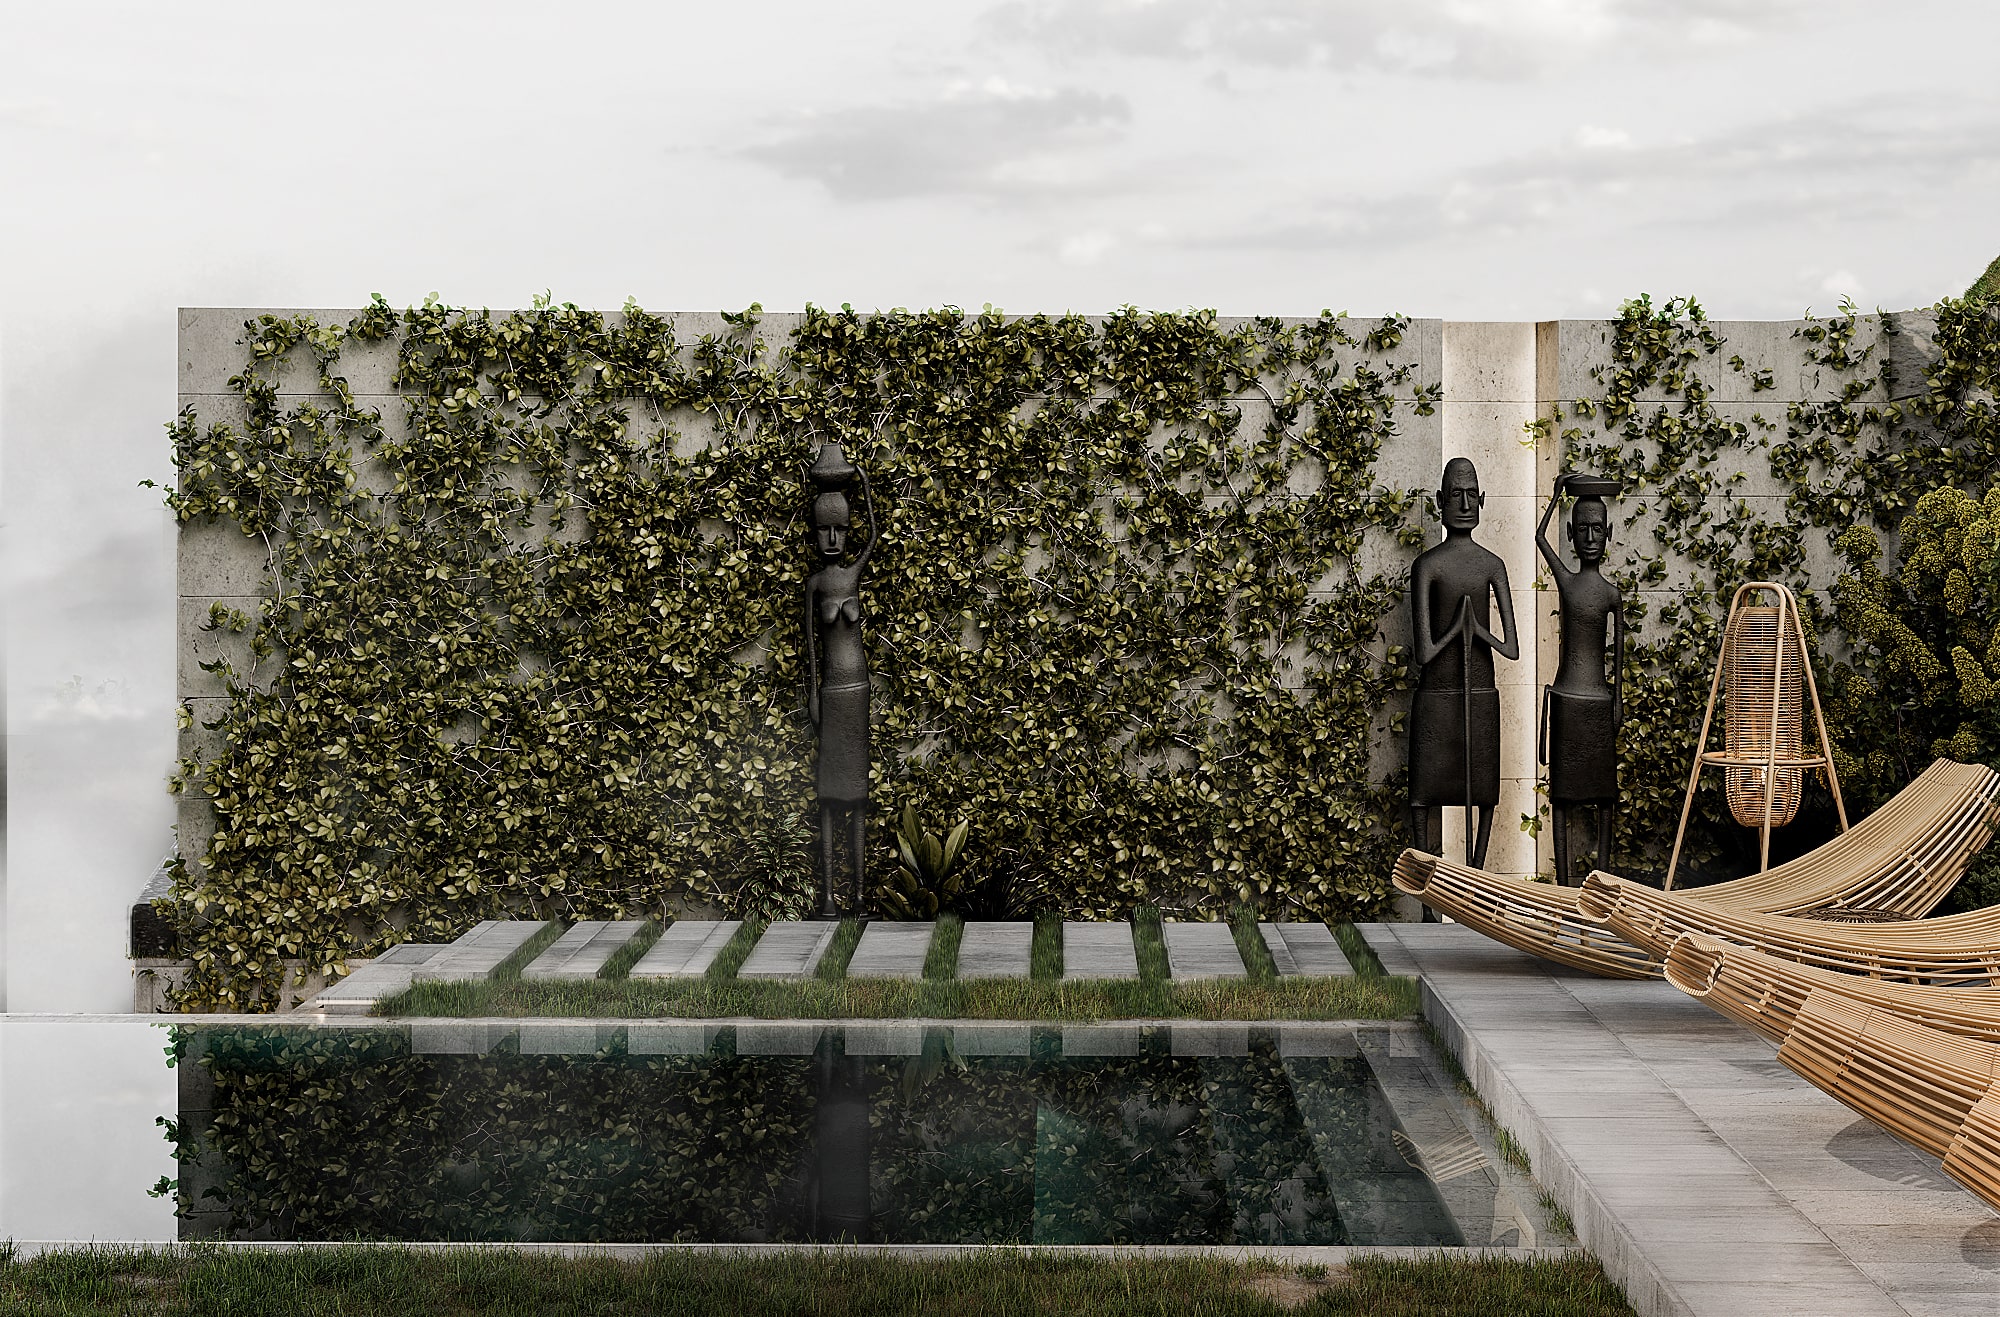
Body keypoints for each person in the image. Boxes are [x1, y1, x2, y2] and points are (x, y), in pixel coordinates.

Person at [1409, 458, 1519, 873]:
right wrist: (1457, 629)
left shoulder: (1492, 565)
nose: (1465, 504)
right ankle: (1426, 893)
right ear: (1440, 501)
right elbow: (1424, 653)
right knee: (1422, 795)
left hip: (1480, 693)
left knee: (1484, 793)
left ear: (1483, 499)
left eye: (1472, 494)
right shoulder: (1427, 566)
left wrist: (1478, 631)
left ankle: (1474, 884)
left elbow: (1511, 648)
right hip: (1436, 694)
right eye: (1456, 495)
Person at [1535, 473, 1625, 886]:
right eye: (1582, 529)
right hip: (1568, 700)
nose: (1590, 538)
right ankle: (1565, 889)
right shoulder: (1567, 583)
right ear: (1570, 534)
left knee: (1604, 797)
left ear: (1609, 534)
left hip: (1598, 700)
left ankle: (1601, 885)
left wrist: (1617, 702)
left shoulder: (1610, 594)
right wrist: (1556, 495)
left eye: (1597, 529)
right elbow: (1540, 538)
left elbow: (1618, 654)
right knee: (1563, 796)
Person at [804, 441, 876, 919]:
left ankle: (861, 897)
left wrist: (862, 481)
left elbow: (875, 534)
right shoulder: (815, 584)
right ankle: (829, 898)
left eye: (840, 530)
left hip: (857, 691)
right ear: (814, 533)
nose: (832, 539)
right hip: (831, 692)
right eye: (823, 530)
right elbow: (811, 650)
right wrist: (812, 696)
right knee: (829, 796)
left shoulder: (852, 574)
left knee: (859, 796)